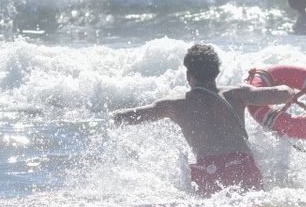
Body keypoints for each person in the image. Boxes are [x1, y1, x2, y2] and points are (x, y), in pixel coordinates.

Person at [110, 42, 296, 194]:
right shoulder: (237, 94)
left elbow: (134, 116)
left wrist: (111, 117)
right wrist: (290, 89)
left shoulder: (174, 105)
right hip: (240, 164)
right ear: (216, 73)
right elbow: (282, 94)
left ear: (188, 75)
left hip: (206, 170)